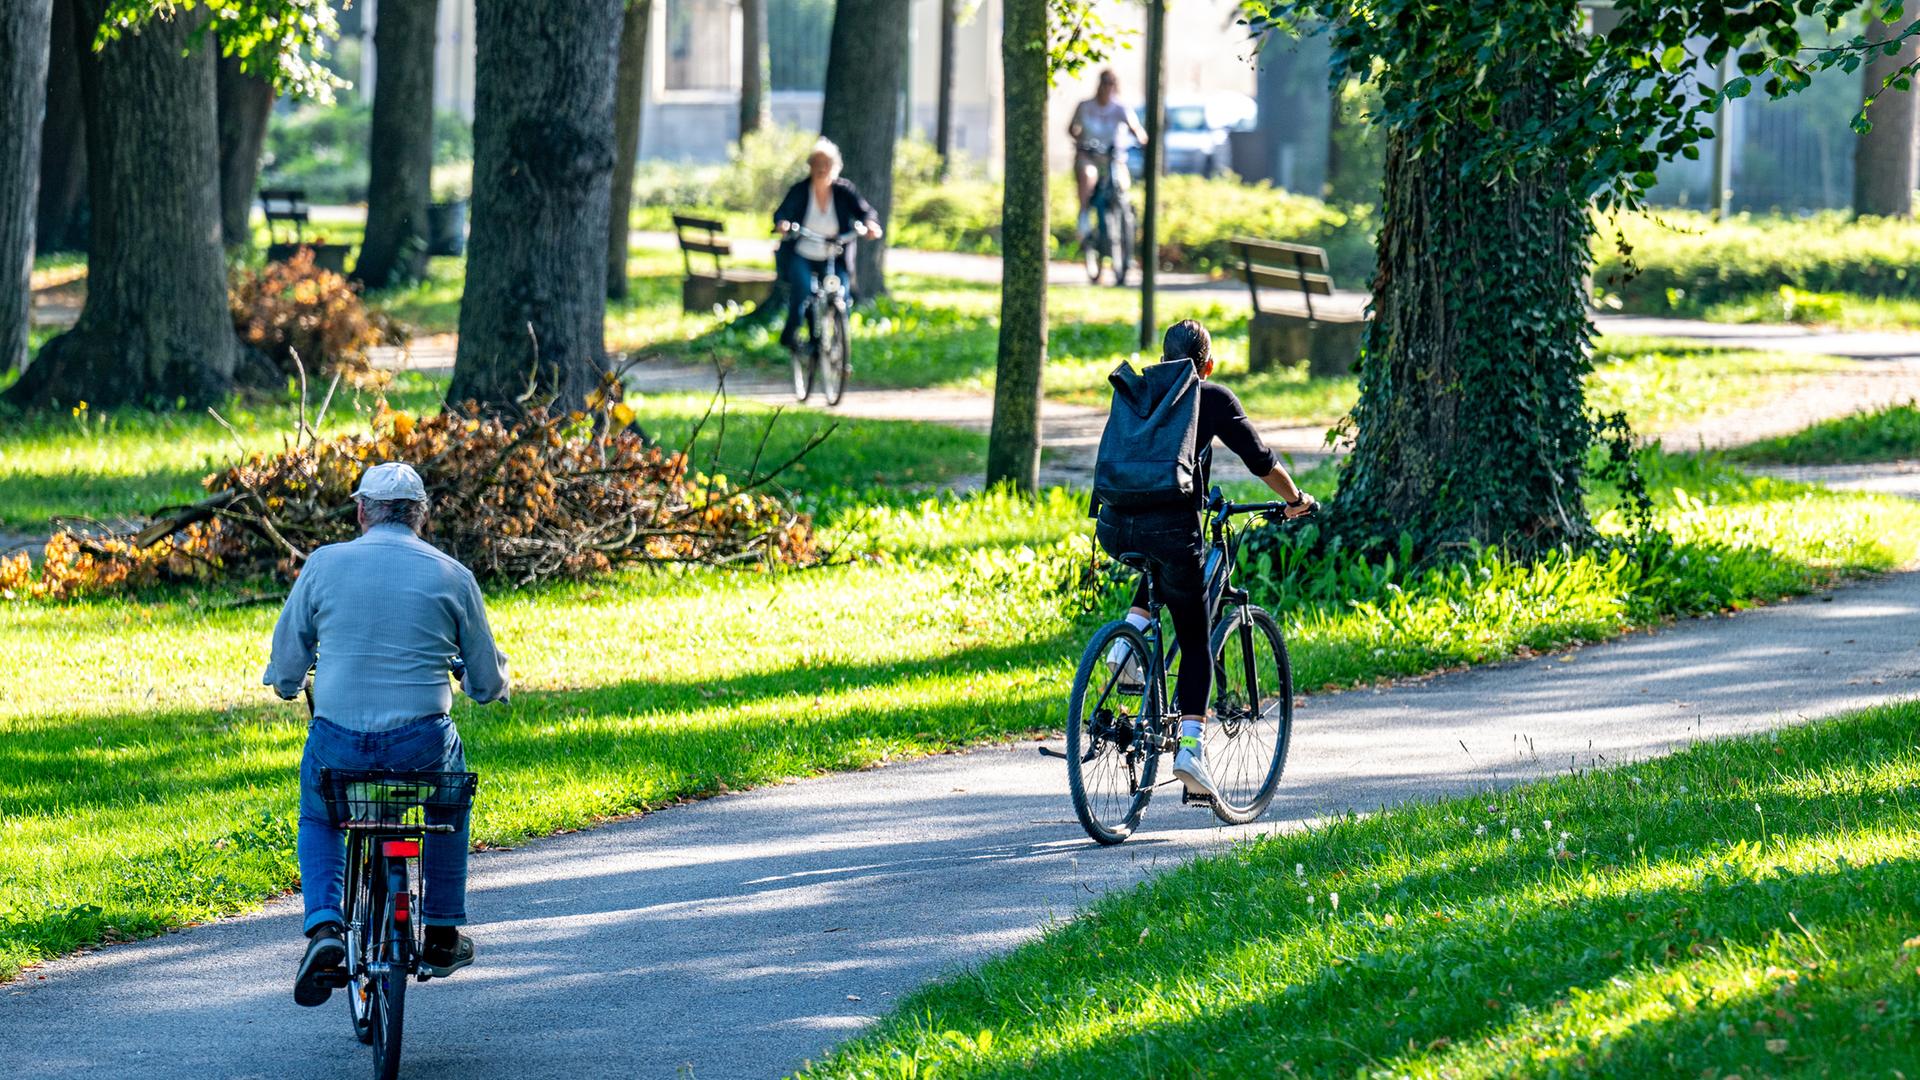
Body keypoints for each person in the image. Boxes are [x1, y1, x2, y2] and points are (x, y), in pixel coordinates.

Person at [263, 462, 511, 1008]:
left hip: (340, 743)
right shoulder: (452, 575)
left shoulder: (324, 565)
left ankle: (325, 926)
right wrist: (483, 684)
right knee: (447, 805)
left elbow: (286, 663)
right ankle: (441, 928)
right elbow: (486, 680)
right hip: (421, 746)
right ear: (421, 516)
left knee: (320, 814)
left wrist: (288, 682)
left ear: (361, 512)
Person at [1093, 320, 1315, 800]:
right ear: (1207, 365)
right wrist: (1296, 499)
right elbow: (1261, 460)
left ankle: (1124, 648)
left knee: (1161, 564)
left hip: (1113, 524)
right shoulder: (1208, 396)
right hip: (1173, 530)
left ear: (1164, 360)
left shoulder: (1139, 391)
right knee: (1196, 641)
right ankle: (1191, 749)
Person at [773, 137, 881, 353]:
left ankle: (839, 345)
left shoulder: (844, 190)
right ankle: (791, 334)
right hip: (803, 253)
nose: (822, 169)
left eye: (827, 164)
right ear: (810, 166)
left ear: (835, 167)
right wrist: (782, 224)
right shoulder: (800, 190)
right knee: (803, 289)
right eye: (817, 164)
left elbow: (865, 211)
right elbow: (783, 212)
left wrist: (870, 225)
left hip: (835, 254)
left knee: (842, 293)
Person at [1067, 69, 1149, 240]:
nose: (1107, 87)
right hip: (1090, 156)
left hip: (1114, 158)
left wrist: (1144, 142)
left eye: (1111, 83)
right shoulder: (1085, 106)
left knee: (1123, 186)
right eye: (1105, 82)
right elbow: (1072, 128)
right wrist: (1081, 142)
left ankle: (1125, 225)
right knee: (1088, 176)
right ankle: (1084, 216)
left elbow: (1136, 129)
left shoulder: (1121, 109)